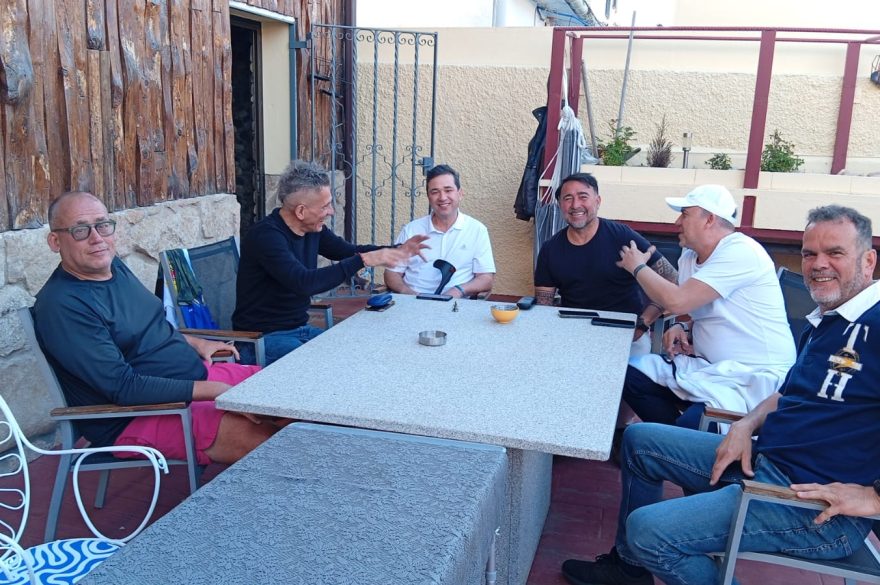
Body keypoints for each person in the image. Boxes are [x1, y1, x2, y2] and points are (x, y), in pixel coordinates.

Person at [562, 204, 880, 585]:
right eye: (809, 254)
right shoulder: (829, 320)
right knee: (638, 442)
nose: (818, 264)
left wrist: (874, 499)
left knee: (647, 531)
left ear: (868, 262)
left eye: (835, 253)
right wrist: (746, 424)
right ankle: (629, 571)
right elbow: (787, 393)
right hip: (766, 463)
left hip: (812, 507)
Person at [33, 191, 274, 466]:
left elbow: (149, 323)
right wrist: (218, 391)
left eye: (102, 225)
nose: (96, 238)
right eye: (80, 230)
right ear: (55, 241)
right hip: (139, 414)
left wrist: (197, 343)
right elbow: (124, 387)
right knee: (270, 442)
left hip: (194, 377)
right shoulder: (63, 306)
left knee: (292, 400)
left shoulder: (113, 267)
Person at [617, 184, 796, 428]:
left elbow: (677, 300)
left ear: (709, 219)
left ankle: (678, 440)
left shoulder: (741, 251)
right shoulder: (689, 257)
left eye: (685, 214)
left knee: (693, 425)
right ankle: (671, 438)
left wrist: (637, 267)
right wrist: (683, 326)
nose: (677, 222)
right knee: (629, 374)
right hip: (710, 370)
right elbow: (701, 308)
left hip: (752, 379)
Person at [233, 160, 428, 365]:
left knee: (354, 353)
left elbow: (345, 251)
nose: (332, 211)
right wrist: (364, 260)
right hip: (260, 339)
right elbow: (304, 282)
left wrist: (395, 249)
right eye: (325, 206)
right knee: (325, 365)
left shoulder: (311, 229)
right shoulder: (266, 237)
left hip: (299, 330)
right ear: (301, 211)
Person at [534, 172, 678, 354]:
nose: (575, 205)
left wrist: (643, 323)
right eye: (567, 198)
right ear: (560, 205)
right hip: (574, 332)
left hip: (627, 334)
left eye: (583, 197)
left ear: (598, 201)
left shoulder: (622, 236)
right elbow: (543, 306)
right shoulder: (550, 249)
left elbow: (672, 279)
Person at [383, 164, 496, 297]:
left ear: (460, 194)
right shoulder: (411, 230)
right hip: (413, 302)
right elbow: (392, 273)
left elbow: (486, 278)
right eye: (435, 192)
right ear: (428, 197)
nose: (442, 197)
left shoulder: (477, 230)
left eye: (448, 190)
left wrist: (458, 290)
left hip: (456, 304)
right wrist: (410, 294)